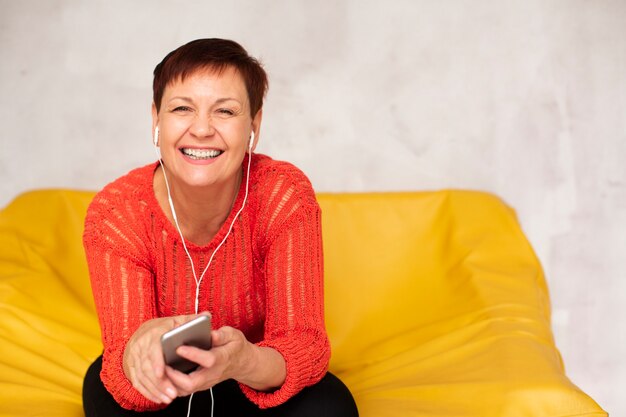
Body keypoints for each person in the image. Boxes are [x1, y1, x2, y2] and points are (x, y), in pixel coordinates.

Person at [82, 38, 358, 417]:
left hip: (253, 377)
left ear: (254, 126)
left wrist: (241, 361)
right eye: (182, 108)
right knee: (103, 385)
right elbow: (119, 371)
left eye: (225, 112)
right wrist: (136, 352)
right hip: (167, 390)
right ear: (156, 120)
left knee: (331, 406)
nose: (201, 129)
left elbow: (305, 345)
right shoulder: (116, 214)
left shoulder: (283, 195)